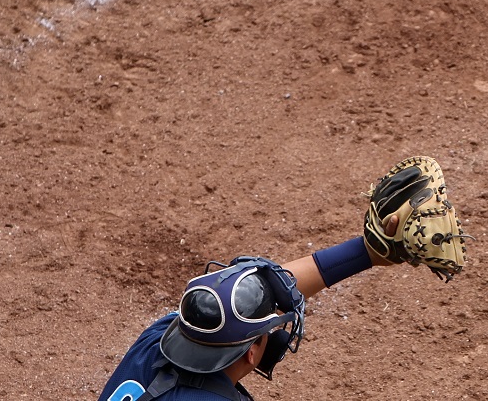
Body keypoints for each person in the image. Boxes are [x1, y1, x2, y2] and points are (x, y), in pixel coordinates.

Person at [100, 156, 468, 400]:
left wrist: (367, 253)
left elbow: (278, 283)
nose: (276, 329)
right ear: (252, 353)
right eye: (269, 328)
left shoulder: (161, 338)